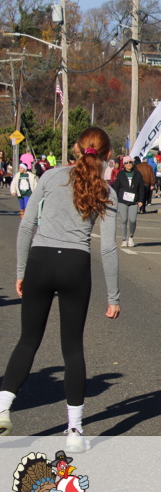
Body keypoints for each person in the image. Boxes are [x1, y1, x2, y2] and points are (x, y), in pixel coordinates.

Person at [0, 127, 120, 451]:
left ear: (77, 149)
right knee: (72, 348)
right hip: (75, 265)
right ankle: (75, 431)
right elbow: (108, 248)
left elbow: (27, 225)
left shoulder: (51, 176)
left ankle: (2, 407)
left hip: (40, 259)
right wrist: (113, 296)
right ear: (108, 155)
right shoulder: (107, 191)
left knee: (28, 340)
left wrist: (22, 271)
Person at [111, 157, 145, 247]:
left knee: (133, 220)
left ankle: (131, 237)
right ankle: (124, 239)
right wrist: (114, 198)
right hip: (122, 200)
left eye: (130, 162)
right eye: (126, 162)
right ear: (124, 164)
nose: (129, 164)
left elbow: (141, 188)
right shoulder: (121, 174)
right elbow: (116, 187)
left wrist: (141, 200)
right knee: (124, 220)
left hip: (134, 201)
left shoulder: (137, 174)